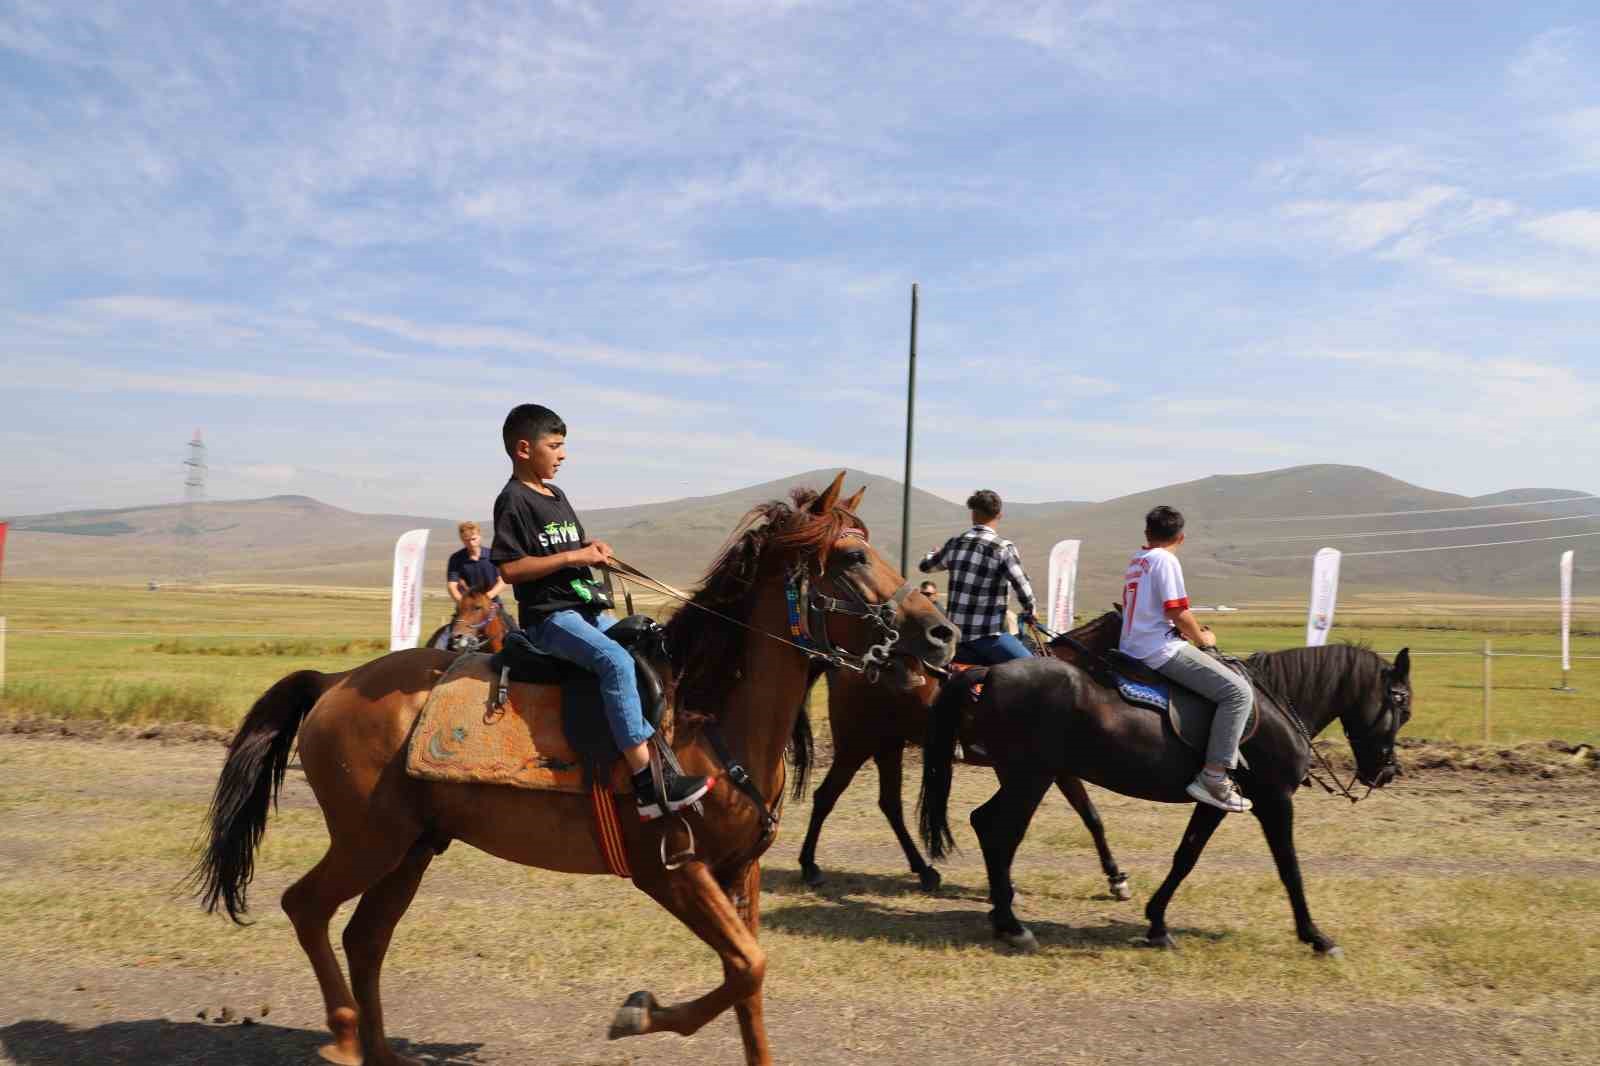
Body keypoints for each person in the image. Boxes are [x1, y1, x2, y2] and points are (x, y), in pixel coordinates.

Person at [490, 403, 712, 821]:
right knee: (614, 661)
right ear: (524, 449)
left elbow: (564, 544)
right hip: (551, 617)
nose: (563, 455)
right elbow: (509, 566)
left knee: (648, 646)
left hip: (586, 606)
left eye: (562, 446)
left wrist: (593, 551)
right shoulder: (513, 500)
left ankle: (666, 750)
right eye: (554, 446)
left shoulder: (556, 495)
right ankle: (646, 782)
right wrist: (574, 554)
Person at [1119, 505, 1253, 813]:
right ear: (1181, 537)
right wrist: (1202, 639)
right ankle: (1214, 776)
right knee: (1237, 693)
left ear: (1146, 534)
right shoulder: (1165, 560)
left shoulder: (1137, 561)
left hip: (1131, 646)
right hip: (1157, 649)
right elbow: (1176, 611)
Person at [919, 489, 1038, 665]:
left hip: (955, 639)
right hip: (988, 638)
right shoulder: (1003, 548)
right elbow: (1021, 584)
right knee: (1034, 669)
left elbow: (925, 567)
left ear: (973, 514)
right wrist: (1030, 610)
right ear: (999, 515)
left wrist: (931, 554)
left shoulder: (955, 544)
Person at [446, 521, 508, 605]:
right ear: (462, 540)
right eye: (466, 540)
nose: (471, 543)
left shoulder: (493, 555)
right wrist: (463, 602)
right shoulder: (456, 559)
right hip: (466, 606)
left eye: (473, 539)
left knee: (507, 618)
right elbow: (452, 586)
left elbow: (503, 582)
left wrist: (486, 597)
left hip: (492, 603)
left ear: (480, 537)